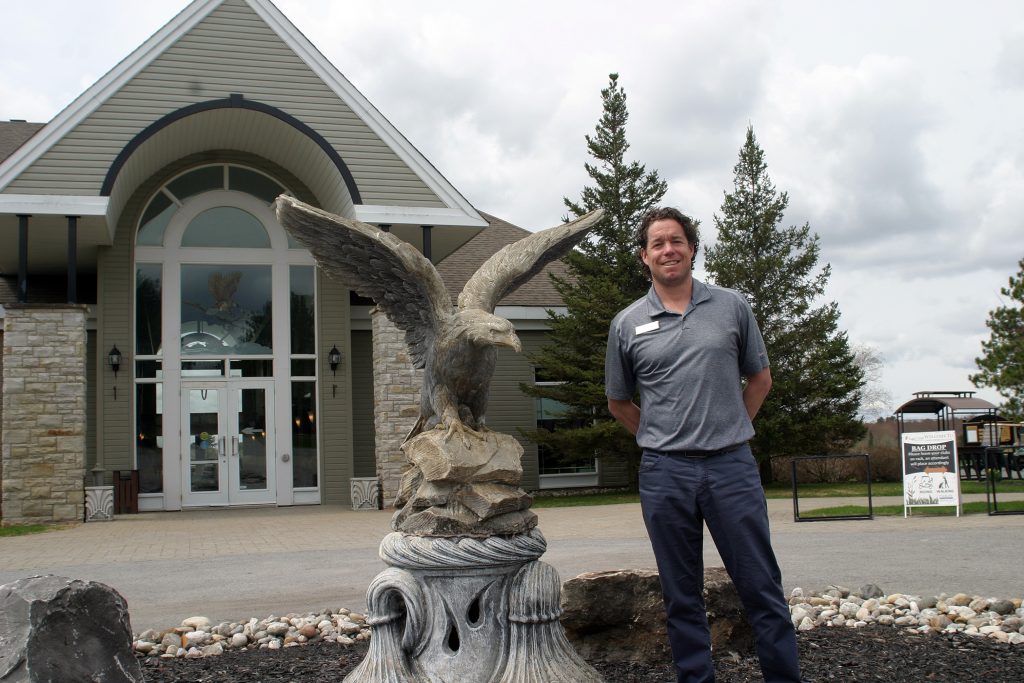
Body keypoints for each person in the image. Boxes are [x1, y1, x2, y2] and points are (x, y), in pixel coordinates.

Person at [605, 207, 804, 683]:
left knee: (761, 586)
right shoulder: (626, 324)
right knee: (681, 594)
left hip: (731, 468)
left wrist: (731, 426)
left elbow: (760, 379)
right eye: (658, 243)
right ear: (644, 257)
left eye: (676, 240)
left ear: (692, 248)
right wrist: (660, 438)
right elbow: (618, 402)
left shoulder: (732, 306)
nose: (668, 249)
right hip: (664, 474)